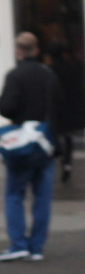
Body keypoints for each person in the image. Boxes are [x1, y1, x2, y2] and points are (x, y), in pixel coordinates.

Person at [0, 31, 63, 261]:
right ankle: (36, 247)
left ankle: (18, 244)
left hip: (22, 144)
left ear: (18, 51)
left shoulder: (15, 75)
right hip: (45, 141)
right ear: (36, 50)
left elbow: (6, 107)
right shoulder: (48, 74)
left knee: (15, 194)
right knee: (42, 197)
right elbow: (59, 104)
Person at [47, 42, 84, 182]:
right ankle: (67, 162)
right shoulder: (73, 67)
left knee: (56, 135)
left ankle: (62, 158)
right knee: (68, 137)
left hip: (56, 109)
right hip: (70, 107)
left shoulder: (49, 70)